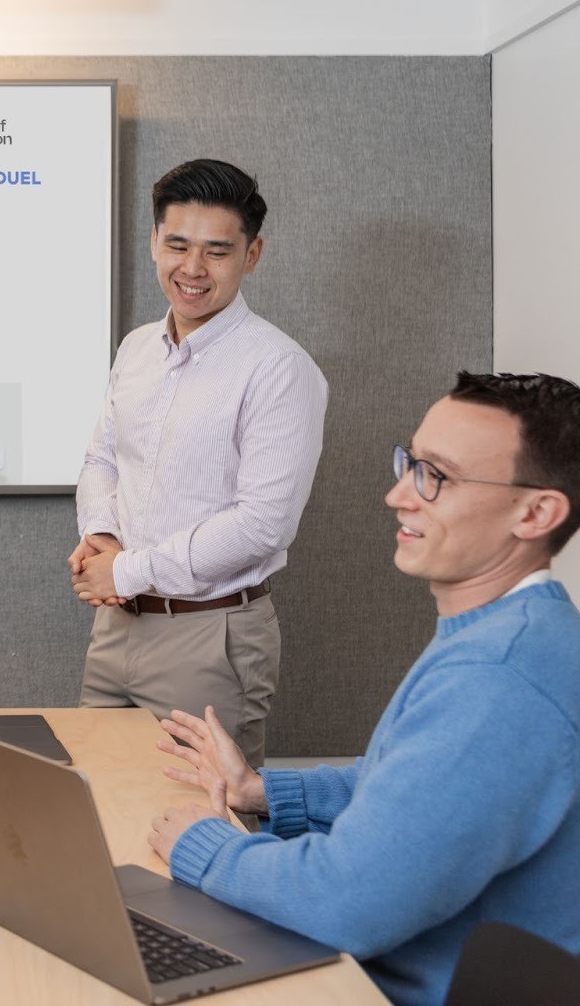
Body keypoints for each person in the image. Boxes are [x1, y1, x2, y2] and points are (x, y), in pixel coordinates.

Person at [148, 372, 580, 1006]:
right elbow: (414, 788)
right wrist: (262, 790)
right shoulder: (517, 630)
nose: (397, 495)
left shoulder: (498, 679)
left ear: (535, 512)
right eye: (411, 463)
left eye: (438, 476)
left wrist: (204, 847)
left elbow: (345, 902)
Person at [70, 158, 328, 767]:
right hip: (117, 626)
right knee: (96, 800)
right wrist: (101, 534)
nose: (192, 268)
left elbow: (263, 522)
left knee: (202, 829)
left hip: (211, 637)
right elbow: (103, 455)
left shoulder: (277, 368)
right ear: (154, 240)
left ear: (252, 253)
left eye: (216, 250)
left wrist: (126, 570)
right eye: (177, 244)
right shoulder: (137, 347)